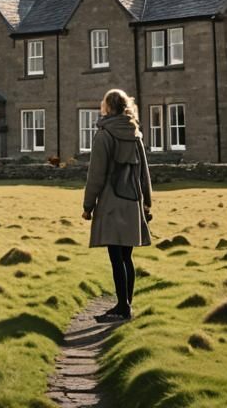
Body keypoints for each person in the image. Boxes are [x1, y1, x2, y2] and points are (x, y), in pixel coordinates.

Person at [82, 88, 153, 321]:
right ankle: (125, 305)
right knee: (126, 257)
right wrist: (147, 202)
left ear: (108, 107)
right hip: (133, 202)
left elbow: (96, 175)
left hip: (112, 202)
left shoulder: (104, 135)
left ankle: (123, 308)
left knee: (116, 257)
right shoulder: (135, 133)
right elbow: (144, 173)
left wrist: (88, 206)